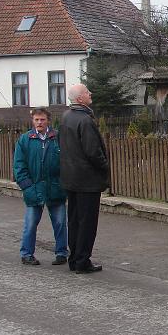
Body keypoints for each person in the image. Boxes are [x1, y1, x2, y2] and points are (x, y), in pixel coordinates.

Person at [59, 84, 109, 274]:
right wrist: (105, 166)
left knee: (74, 220)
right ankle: (82, 260)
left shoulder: (66, 117)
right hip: (87, 180)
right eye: (87, 91)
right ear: (80, 99)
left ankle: (74, 258)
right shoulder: (85, 120)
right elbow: (93, 152)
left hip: (71, 178)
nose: (90, 93)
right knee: (87, 223)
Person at [14, 107, 68, 266]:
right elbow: (19, 166)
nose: (39, 122)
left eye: (42, 119)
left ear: (48, 121)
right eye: (36, 120)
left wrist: (63, 183)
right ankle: (26, 254)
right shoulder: (25, 139)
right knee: (30, 223)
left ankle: (61, 253)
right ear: (32, 121)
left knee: (60, 223)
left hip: (55, 188)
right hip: (34, 188)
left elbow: (67, 162)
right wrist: (27, 187)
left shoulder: (58, 138)